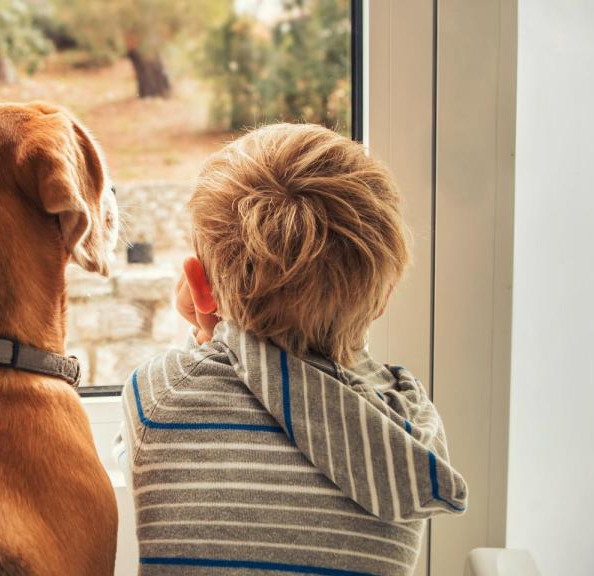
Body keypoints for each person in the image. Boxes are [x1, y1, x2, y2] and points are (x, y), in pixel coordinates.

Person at [116, 123, 467, 576]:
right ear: (384, 296)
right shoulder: (408, 429)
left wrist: (206, 336)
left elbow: (131, 459)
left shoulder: (161, 395)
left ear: (199, 285)